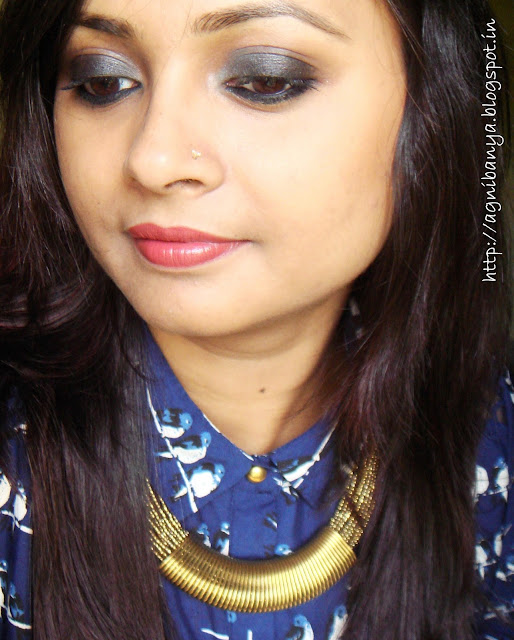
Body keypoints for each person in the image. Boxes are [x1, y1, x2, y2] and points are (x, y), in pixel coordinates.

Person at [0, 0, 512, 638]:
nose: (153, 160)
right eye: (103, 81)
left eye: (265, 80)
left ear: (437, 104)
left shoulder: (488, 429)